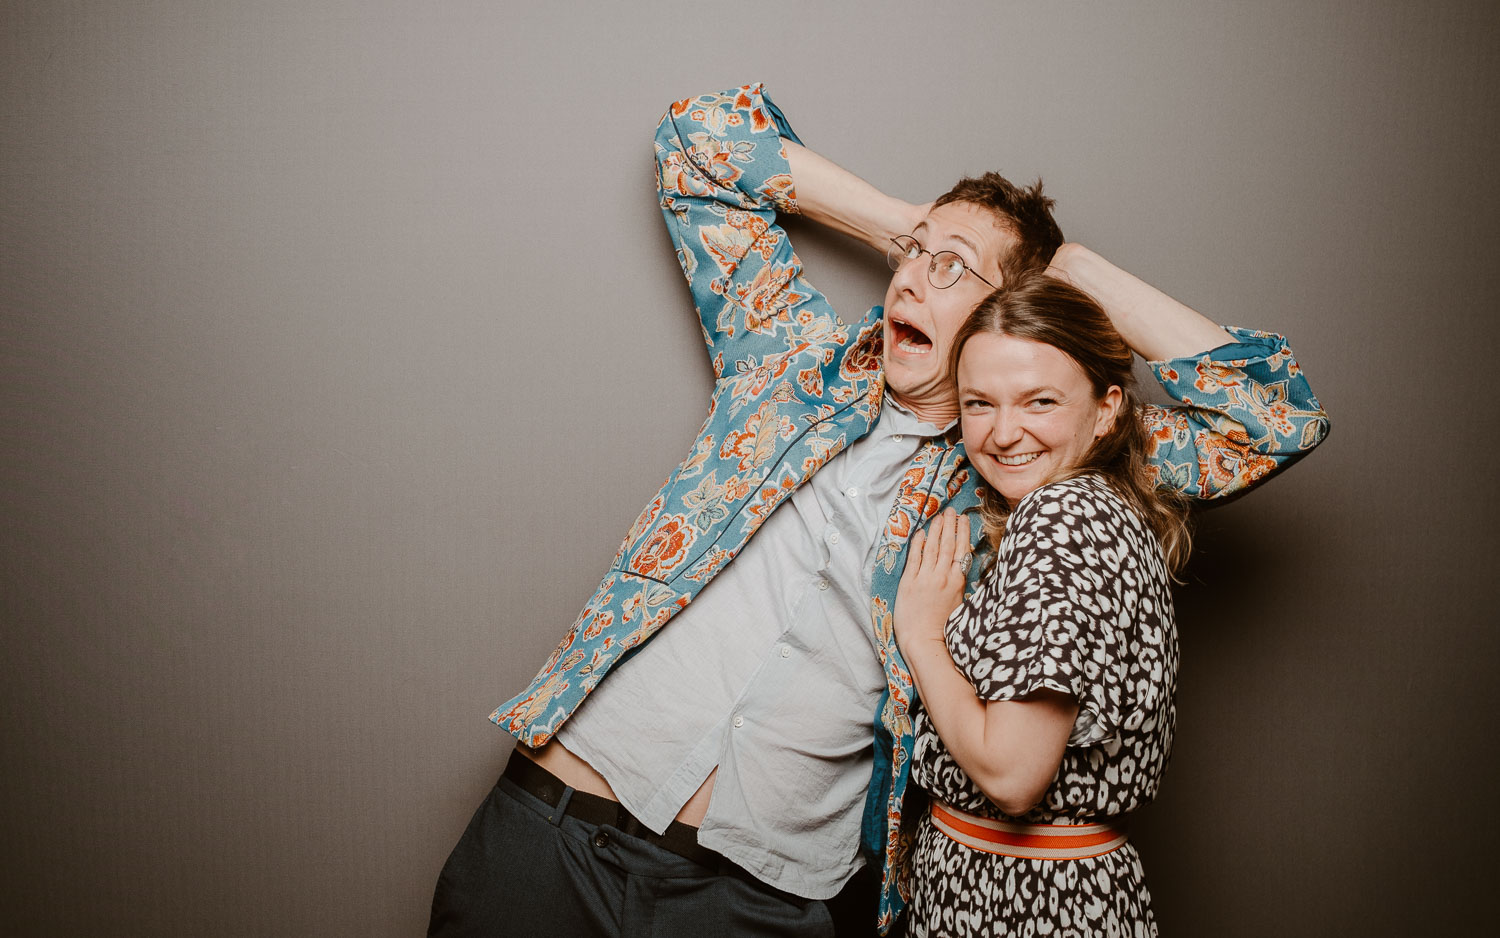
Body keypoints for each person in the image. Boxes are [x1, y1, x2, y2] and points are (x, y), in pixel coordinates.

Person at [428, 84, 1330, 937]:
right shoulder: (788, 366)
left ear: (1006, 311)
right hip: (550, 834)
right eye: (910, 261)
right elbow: (697, 141)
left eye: (951, 272)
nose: (908, 281)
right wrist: (910, 227)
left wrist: (1073, 275)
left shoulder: (1028, 475)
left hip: (753, 902)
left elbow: (1274, 418)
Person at [893, 275, 1192, 937]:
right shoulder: (1096, 508)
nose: (1003, 433)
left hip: (1028, 906)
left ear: (1107, 408)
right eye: (978, 404)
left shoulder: (1061, 518)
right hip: (1031, 891)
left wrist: (921, 635)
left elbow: (1013, 775)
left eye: (1040, 401)